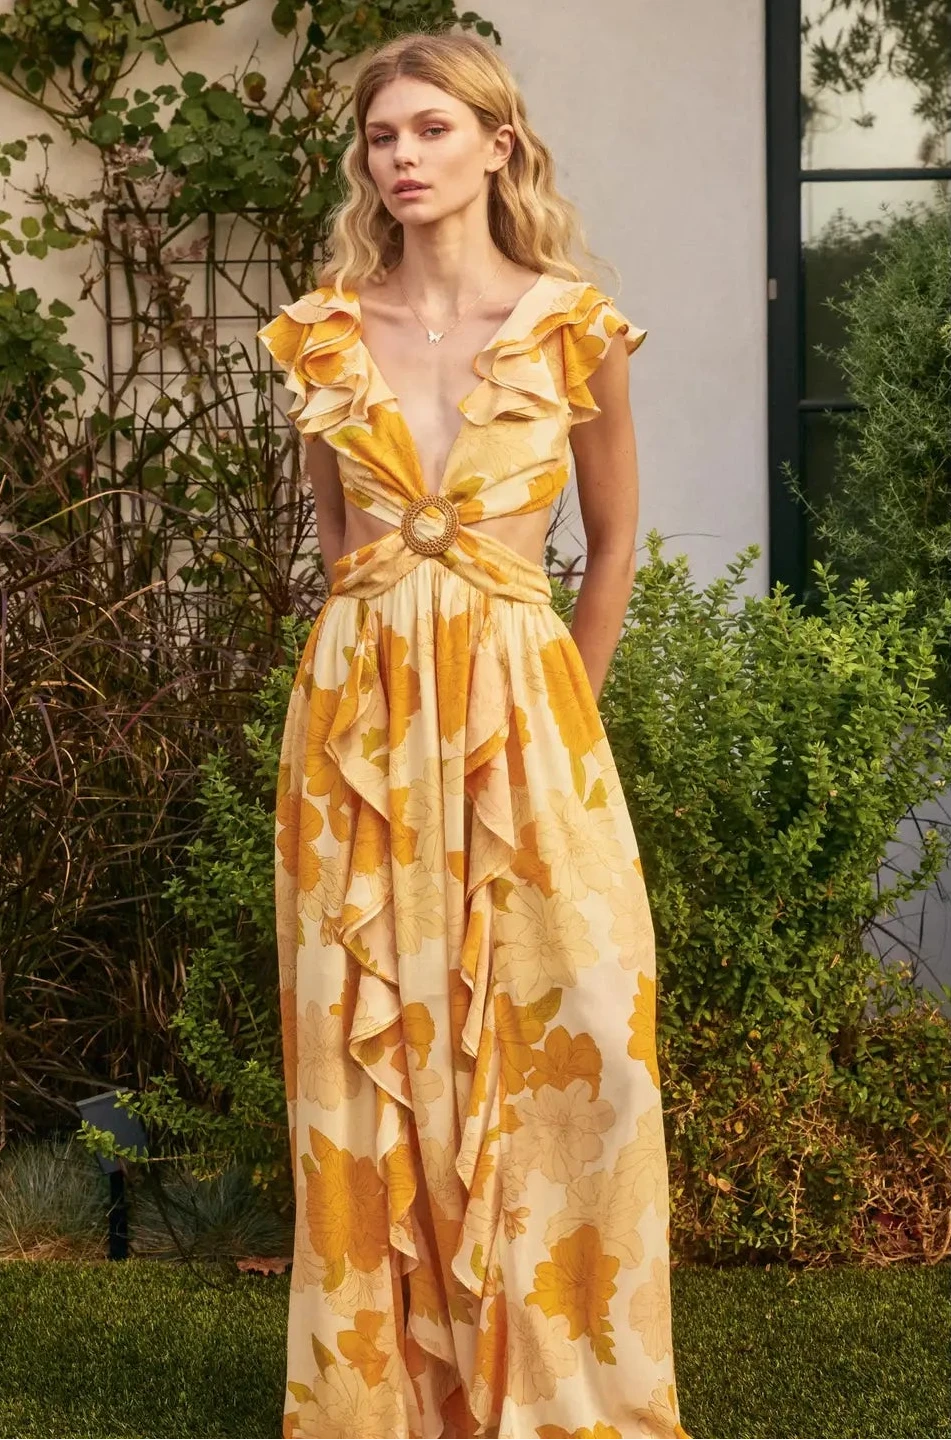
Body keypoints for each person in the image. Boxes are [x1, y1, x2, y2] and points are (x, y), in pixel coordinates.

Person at [257, 27, 690, 1440]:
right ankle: (391, 1394)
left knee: (573, 1033)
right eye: (384, 137)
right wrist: (374, 671)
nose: (404, 158)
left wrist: (568, 702)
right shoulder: (327, 327)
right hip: (359, 725)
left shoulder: (573, 325)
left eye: (432, 130)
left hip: (526, 713)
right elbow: (336, 543)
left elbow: (613, 541)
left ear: (498, 145)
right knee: (368, 1046)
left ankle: (557, 1379)